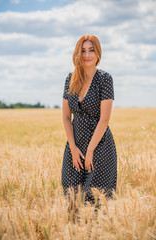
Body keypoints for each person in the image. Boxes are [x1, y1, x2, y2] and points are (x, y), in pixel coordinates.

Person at [61, 34, 117, 207]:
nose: (87, 55)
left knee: (94, 201)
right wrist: (73, 147)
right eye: (83, 51)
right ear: (77, 54)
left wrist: (91, 150)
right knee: (72, 198)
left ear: (98, 53)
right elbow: (66, 117)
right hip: (75, 146)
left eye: (91, 50)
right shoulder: (70, 80)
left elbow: (104, 119)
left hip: (99, 146)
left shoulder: (104, 79)